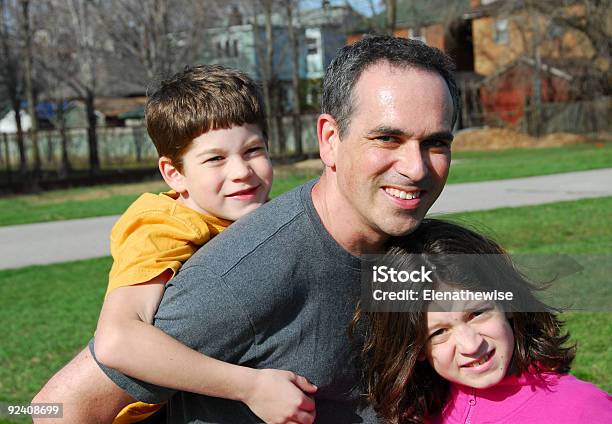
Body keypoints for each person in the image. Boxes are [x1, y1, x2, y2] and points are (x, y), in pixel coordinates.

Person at [33, 35, 460, 423]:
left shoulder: (407, 241)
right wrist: (248, 385)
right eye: (387, 138)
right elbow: (60, 407)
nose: (416, 168)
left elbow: (513, 331)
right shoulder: (229, 273)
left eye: (436, 142)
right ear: (329, 139)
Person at [37, 65, 318, 424]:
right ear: (174, 173)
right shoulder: (163, 226)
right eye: (215, 158)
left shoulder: (251, 218)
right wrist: (250, 387)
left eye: (253, 150)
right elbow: (117, 337)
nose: (241, 171)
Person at [355, 219, 612, 424]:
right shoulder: (417, 413)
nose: (470, 344)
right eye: (439, 332)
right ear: (416, 349)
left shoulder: (581, 408)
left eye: (476, 314)